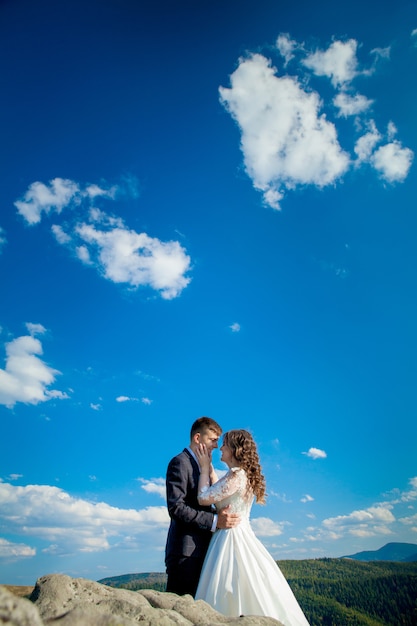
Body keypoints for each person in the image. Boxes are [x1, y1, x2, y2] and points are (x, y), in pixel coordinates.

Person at [195, 429, 310, 626]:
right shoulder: (237, 475)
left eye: (224, 444)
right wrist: (211, 469)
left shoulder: (236, 476)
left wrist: (204, 469)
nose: (221, 448)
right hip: (240, 533)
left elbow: (203, 498)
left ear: (234, 449)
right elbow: (219, 490)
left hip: (230, 538)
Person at [165, 416, 240, 597]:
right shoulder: (180, 463)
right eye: (212, 440)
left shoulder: (204, 466)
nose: (216, 445)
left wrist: (219, 513)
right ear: (197, 438)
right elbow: (176, 508)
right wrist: (215, 520)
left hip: (205, 550)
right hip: (186, 552)